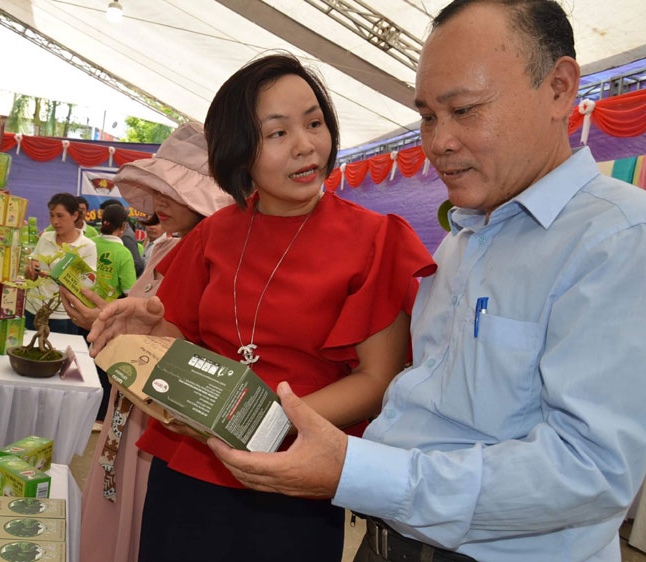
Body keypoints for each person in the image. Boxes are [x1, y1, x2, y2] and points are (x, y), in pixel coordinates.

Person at [206, 2, 646, 561]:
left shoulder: (618, 238)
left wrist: (358, 469)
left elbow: (590, 472)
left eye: (464, 110)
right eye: (429, 116)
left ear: (559, 89)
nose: (438, 142)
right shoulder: (465, 238)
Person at [88, 55, 435, 562]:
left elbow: (376, 379)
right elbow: (182, 350)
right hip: (191, 470)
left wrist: (262, 422)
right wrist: (152, 328)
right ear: (239, 151)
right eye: (277, 133)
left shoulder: (375, 240)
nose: (305, 145)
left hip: (293, 477)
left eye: (314, 123)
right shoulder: (213, 234)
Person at [61, 121, 234, 562]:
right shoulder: (162, 248)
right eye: (155, 189)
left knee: (144, 516)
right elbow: (140, 318)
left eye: (171, 190)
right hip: (130, 401)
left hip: (164, 414)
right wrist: (104, 317)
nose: (158, 202)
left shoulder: (220, 260)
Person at [24, 192, 96, 335]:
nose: (55, 221)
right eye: (52, 215)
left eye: (60, 216)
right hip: (34, 308)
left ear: (75, 215)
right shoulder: (45, 238)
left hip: (64, 315)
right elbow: (29, 276)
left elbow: (88, 285)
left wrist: (59, 276)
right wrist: (31, 270)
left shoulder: (87, 246)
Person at [93, 204, 137, 300]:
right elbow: (129, 292)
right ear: (123, 225)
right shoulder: (124, 253)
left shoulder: (89, 242)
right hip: (109, 309)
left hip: (83, 305)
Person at [100, 198, 145, 277]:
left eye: (105, 218)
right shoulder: (100, 239)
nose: (103, 222)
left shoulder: (125, 236)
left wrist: (120, 275)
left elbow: (137, 264)